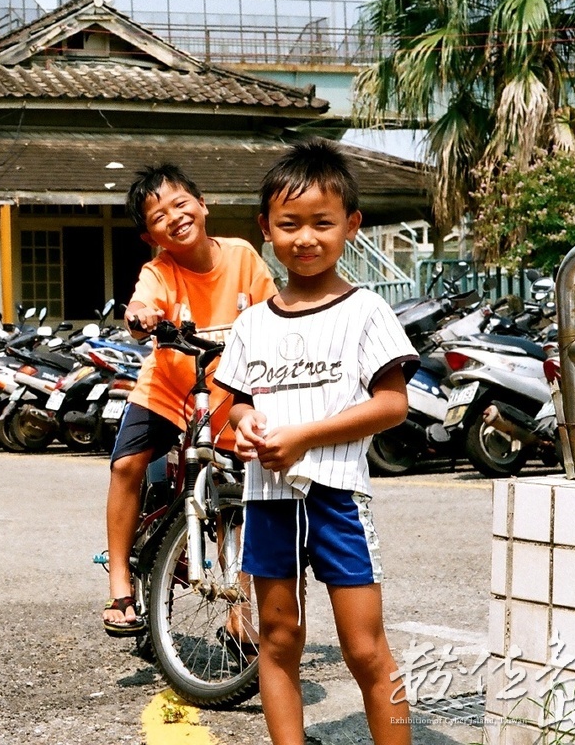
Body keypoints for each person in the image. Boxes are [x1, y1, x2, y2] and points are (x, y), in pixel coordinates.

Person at [214, 140, 417, 745]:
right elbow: (239, 402)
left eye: (322, 223)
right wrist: (245, 423)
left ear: (350, 226)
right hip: (267, 501)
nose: (306, 238)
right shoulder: (252, 322)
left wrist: (303, 436)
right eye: (289, 224)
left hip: (338, 500)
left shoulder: (366, 310)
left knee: (364, 649)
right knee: (277, 642)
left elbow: (391, 405)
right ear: (266, 230)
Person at [101, 163, 276, 636]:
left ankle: (240, 615)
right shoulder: (158, 271)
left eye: (181, 203)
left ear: (203, 204)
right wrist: (140, 318)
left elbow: (273, 313)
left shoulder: (242, 256)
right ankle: (119, 582)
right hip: (166, 391)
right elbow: (141, 306)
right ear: (149, 235)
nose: (174, 217)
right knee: (125, 466)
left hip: (224, 397)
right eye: (158, 216)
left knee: (234, 499)